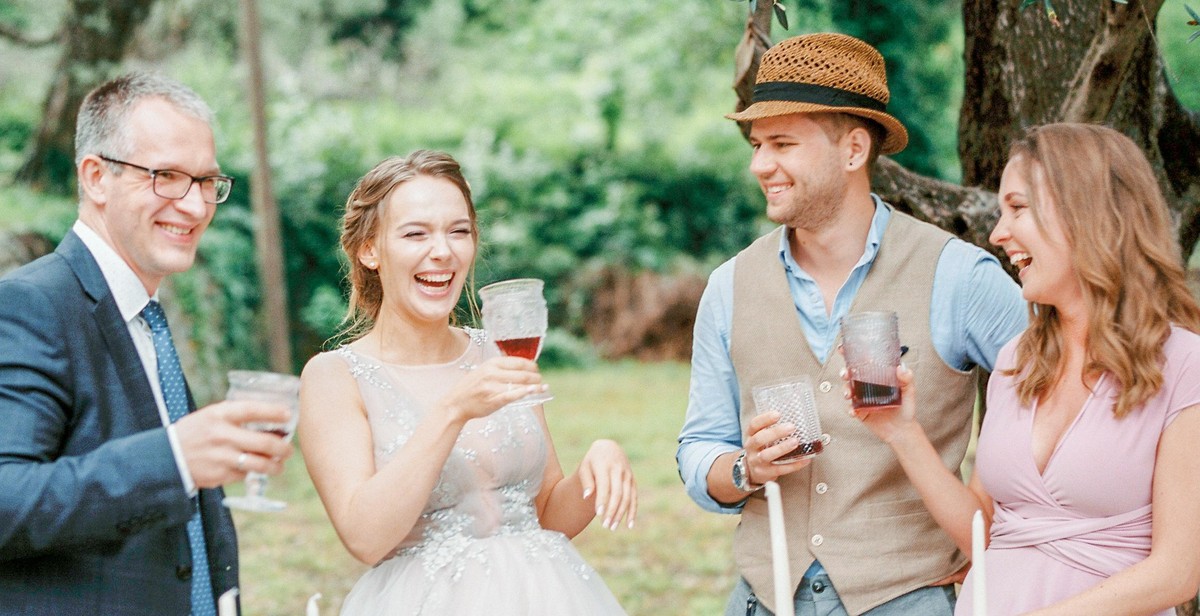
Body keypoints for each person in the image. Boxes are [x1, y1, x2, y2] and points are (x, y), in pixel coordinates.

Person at [675, 33, 1028, 615]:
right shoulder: (728, 286)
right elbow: (699, 445)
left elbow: (1052, 403)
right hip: (765, 598)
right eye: (758, 144)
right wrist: (743, 468)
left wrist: (994, 522)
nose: (761, 165)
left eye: (783, 143)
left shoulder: (960, 276)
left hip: (907, 599)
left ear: (853, 149)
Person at [856, 123, 1200, 615]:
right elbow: (987, 531)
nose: (998, 233)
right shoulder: (1018, 358)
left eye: (1018, 208)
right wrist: (901, 433)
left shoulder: (1186, 365)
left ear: (1088, 212)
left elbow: (1177, 573)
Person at [0, 72, 293, 615]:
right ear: (96, 177)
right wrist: (175, 457)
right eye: (167, 177)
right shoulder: (29, 305)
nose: (195, 206)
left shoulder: (143, 311)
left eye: (206, 182)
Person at [298, 150, 637, 615]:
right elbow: (365, 538)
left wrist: (597, 466)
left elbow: (547, 516)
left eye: (458, 231)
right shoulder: (334, 377)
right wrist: (452, 411)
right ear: (369, 249)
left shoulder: (500, 349)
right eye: (416, 233)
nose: (443, 251)